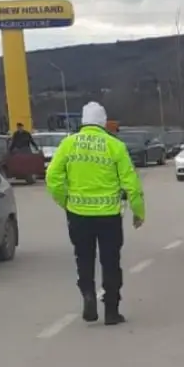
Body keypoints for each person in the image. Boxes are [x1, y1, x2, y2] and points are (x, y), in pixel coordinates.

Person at [45, 101, 145, 325]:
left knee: (84, 258)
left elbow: (53, 178)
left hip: (78, 214)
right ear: (103, 122)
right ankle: (111, 310)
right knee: (110, 261)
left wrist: (66, 201)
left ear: (83, 121)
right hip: (108, 215)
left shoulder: (68, 144)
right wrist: (138, 212)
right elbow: (132, 184)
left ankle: (88, 295)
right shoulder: (114, 146)